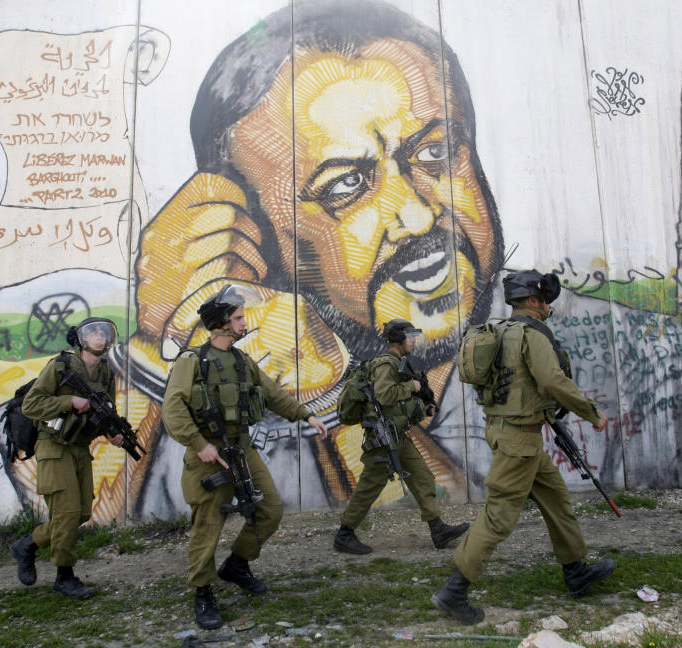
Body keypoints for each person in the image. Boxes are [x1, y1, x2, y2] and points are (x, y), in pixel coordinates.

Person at [115, 0, 505, 516]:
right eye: (346, 185)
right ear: (254, 237)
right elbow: (87, 521)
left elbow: (448, 508)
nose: (416, 216)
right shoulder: (237, 375)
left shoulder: (629, 363)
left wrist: (335, 401)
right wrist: (151, 347)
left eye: (435, 153)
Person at [432, 270, 616, 624]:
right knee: (499, 516)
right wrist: (591, 412)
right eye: (545, 299)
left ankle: (575, 570)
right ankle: (454, 591)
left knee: (556, 499)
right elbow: (551, 379)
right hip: (519, 440)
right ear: (532, 301)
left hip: (514, 434)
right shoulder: (532, 335)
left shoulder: (500, 331)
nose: (548, 305)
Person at [160, 284, 329, 630]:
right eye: (237, 318)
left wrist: (305, 414)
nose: (242, 322)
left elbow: (272, 395)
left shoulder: (242, 361)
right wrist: (199, 444)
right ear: (221, 324)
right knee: (208, 523)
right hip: (208, 453)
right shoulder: (192, 361)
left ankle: (237, 564)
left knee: (270, 508)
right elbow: (172, 409)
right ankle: (202, 590)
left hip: (241, 448)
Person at [10, 317, 125, 599]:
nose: (99, 336)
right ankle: (64, 576)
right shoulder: (61, 366)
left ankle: (28, 545)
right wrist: (68, 401)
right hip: (53, 447)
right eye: (93, 331)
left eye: (104, 332)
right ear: (81, 338)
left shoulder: (106, 372)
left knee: (83, 512)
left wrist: (111, 432)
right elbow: (31, 404)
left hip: (79, 448)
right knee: (67, 513)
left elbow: (102, 411)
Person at [333, 319, 470, 554]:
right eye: (411, 337)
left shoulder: (399, 363)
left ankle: (438, 529)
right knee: (370, 486)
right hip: (383, 437)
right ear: (400, 340)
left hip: (397, 435)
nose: (414, 341)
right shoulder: (387, 364)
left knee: (422, 477)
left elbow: (396, 403)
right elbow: (385, 396)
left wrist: (421, 405)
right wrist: (413, 388)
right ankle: (344, 535)